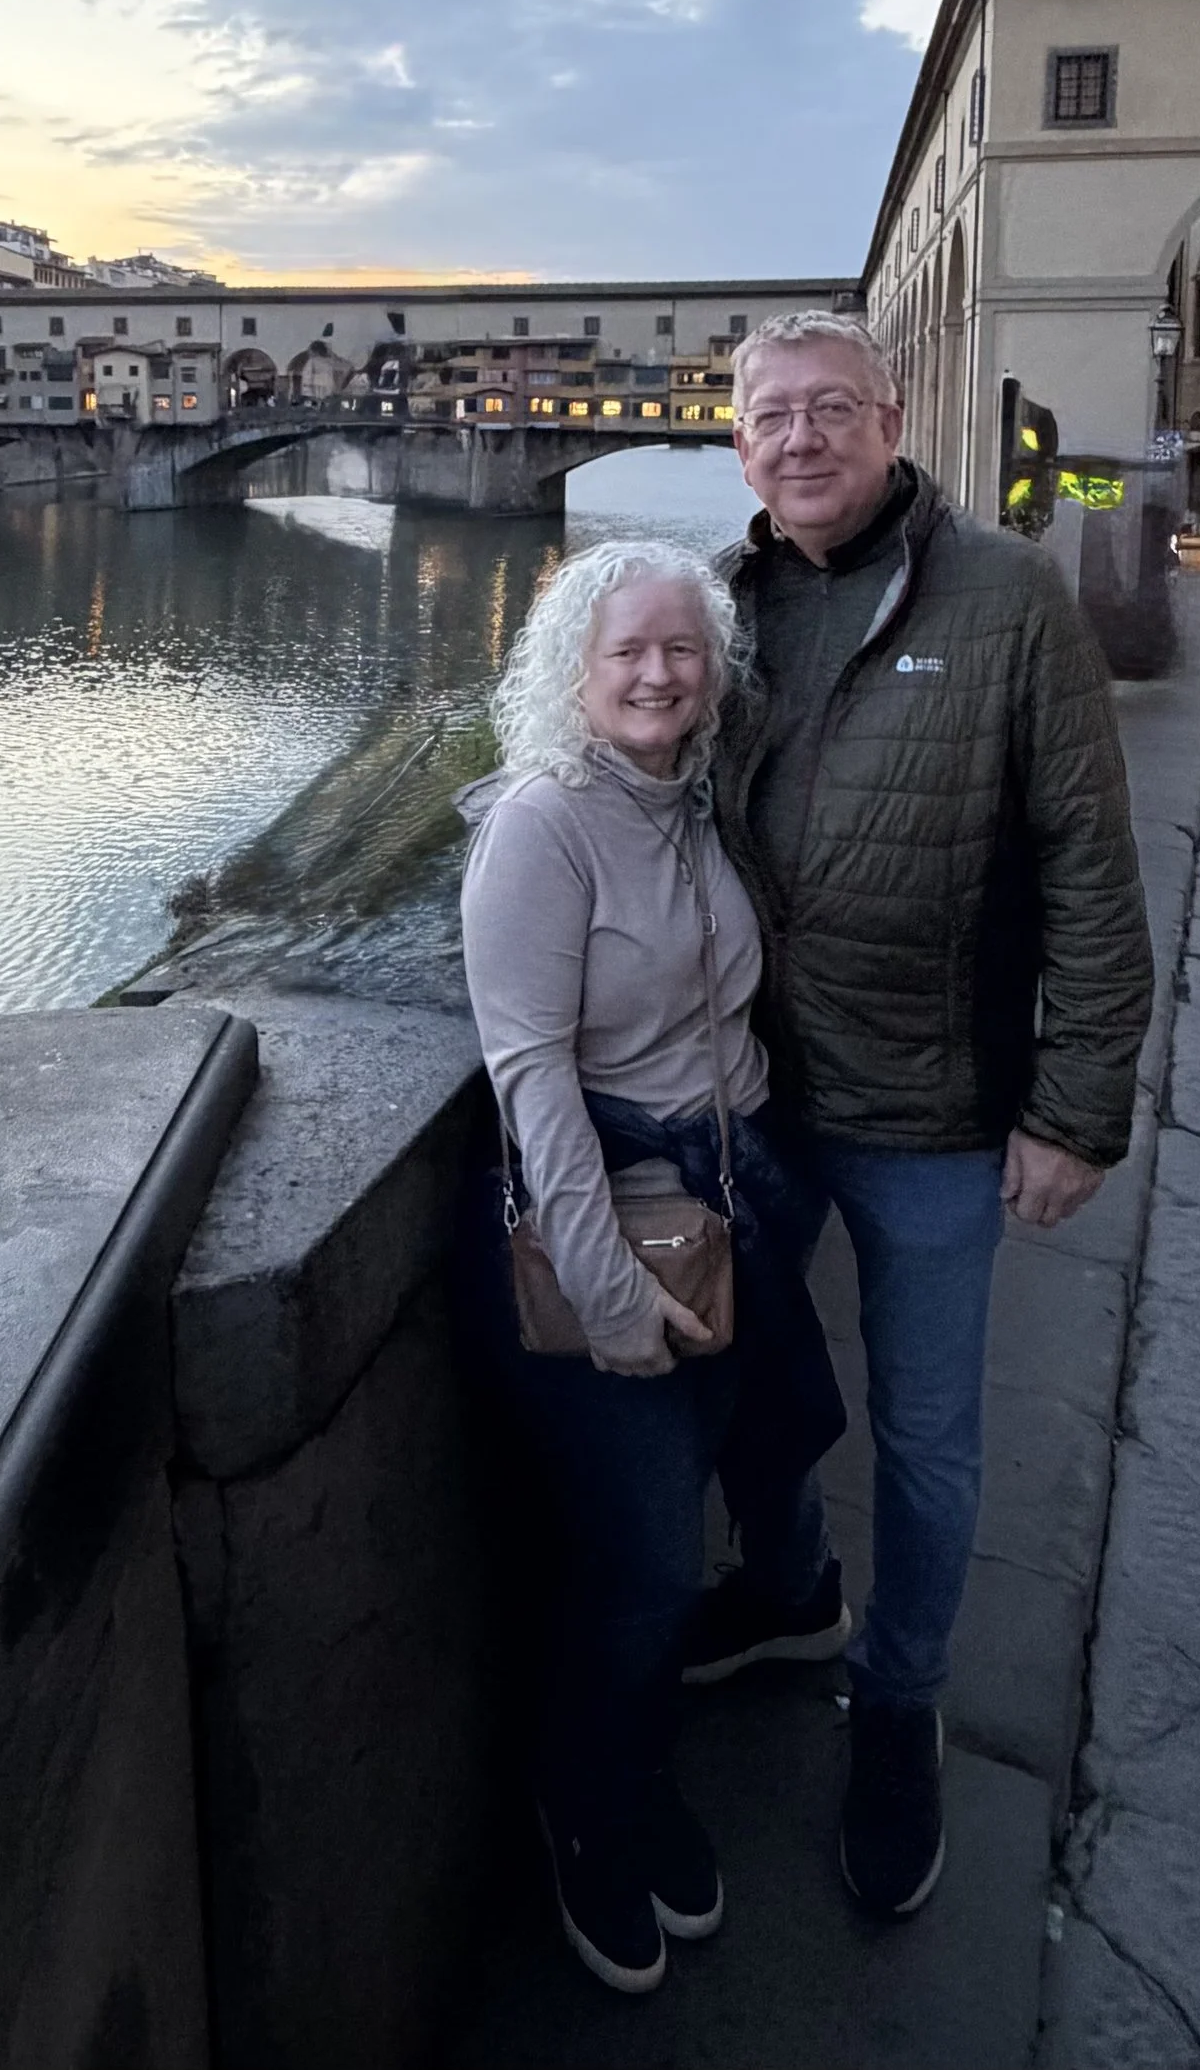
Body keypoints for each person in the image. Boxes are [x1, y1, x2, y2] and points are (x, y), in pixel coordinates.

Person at [684, 310, 1155, 1919]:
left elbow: (1094, 868)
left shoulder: (1008, 598)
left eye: (830, 410)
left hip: (940, 1109)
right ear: (735, 442)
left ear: (894, 420)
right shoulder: (720, 604)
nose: (799, 440)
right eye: (769, 418)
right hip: (751, 1092)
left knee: (930, 1439)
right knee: (743, 1369)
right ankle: (795, 1586)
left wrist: (1077, 1107)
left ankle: (900, 1698)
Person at [458, 537, 840, 1996]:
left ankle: (638, 1770)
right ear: (575, 669)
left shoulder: (697, 807)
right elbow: (528, 1077)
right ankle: (588, 1802)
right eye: (628, 652)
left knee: (687, 1521)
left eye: (684, 649)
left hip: (735, 1203)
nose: (661, 673)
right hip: (606, 1219)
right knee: (639, 1564)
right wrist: (609, 1287)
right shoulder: (541, 827)